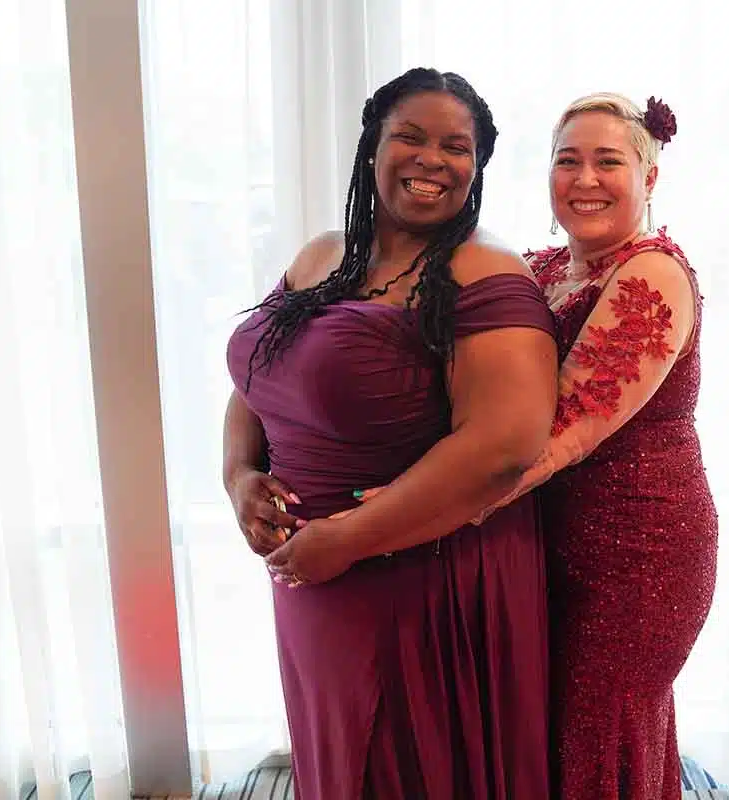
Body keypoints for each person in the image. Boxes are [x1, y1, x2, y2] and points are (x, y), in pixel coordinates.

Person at [353, 91, 718, 798]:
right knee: (553, 736)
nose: (585, 180)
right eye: (567, 161)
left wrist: (405, 510)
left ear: (648, 178)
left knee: (597, 736)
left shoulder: (653, 273)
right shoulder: (542, 268)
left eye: (607, 162)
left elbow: (552, 439)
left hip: (637, 559)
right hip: (547, 540)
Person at [222, 67, 558, 799]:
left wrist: (350, 538)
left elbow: (504, 448)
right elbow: (257, 374)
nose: (432, 159)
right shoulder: (324, 254)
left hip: (423, 581)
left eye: (456, 147)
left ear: (478, 166)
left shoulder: (484, 271)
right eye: (410, 136)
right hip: (315, 580)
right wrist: (239, 478)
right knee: (342, 759)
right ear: (372, 145)